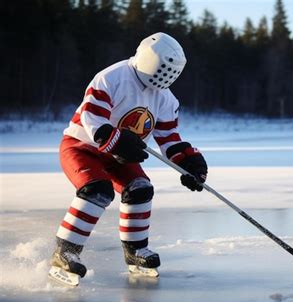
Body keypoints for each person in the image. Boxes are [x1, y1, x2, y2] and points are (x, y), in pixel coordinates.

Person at [49, 32, 207, 282]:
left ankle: (135, 252)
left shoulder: (165, 98)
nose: (167, 74)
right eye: (164, 68)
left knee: (141, 188)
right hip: (82, 147)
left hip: (120, 156)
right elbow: (94, 120)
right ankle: (65, 253)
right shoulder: (112, 78)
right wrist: (117, 141)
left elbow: (169, 139)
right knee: (97, 190)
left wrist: (189, 162)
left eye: (172, 71)